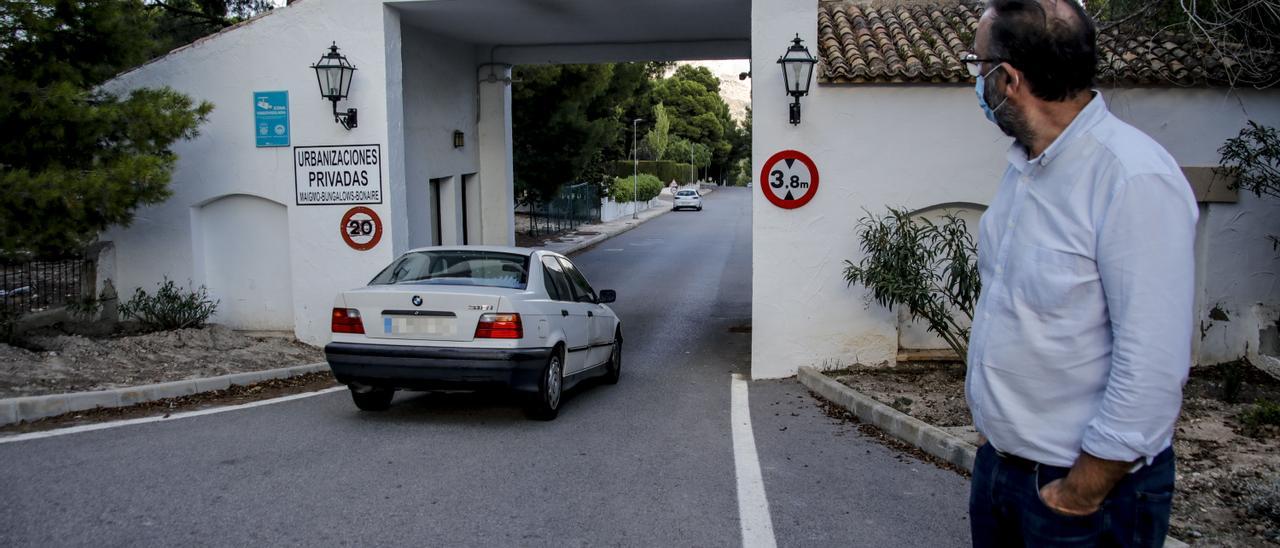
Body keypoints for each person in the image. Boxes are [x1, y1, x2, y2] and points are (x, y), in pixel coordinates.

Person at [964, 1, 1198, 546]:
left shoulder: (1132, 178)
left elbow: (1153, 366)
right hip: (1003, 471)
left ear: (1008, 79)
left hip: (1082, 498)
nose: (975, 83)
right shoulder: (1026, 169)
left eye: (976, 67)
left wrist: (1080, 491)